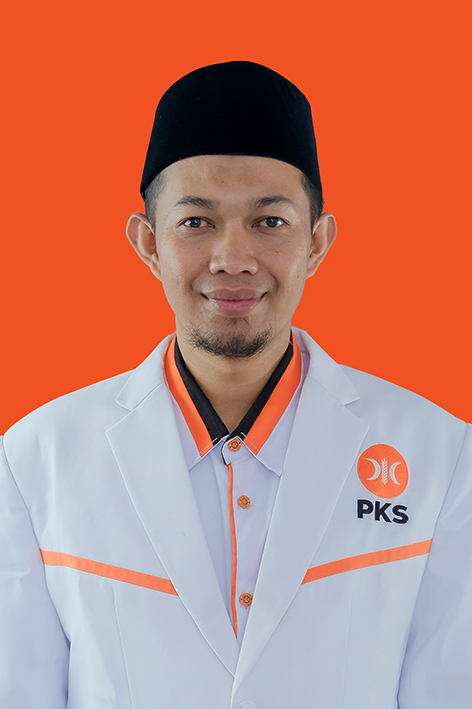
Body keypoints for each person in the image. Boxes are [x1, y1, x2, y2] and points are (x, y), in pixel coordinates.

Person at [0, 61, 471, 709]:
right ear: (148, 243)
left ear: (317, 242)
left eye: (269, 221)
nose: (232, 259)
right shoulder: (36, 460)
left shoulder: (440, 456)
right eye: (196, 222)